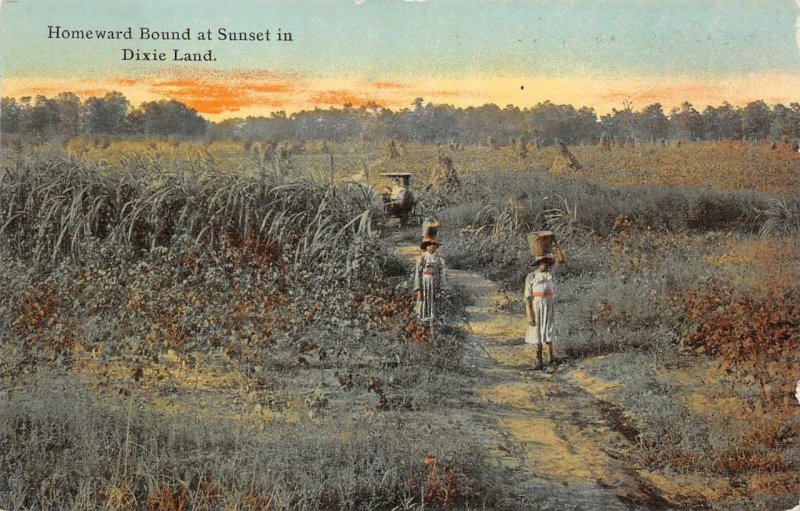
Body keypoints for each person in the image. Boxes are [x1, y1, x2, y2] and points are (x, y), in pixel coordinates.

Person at [525, 255, 556, 371]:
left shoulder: (550, 276)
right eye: (543, 263)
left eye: (547, 263)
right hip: (536, 306)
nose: (545, 265)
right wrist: (529, 314)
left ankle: (551, 361)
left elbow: (561, 259)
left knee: (548, 331)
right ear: (538, 264)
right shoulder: (531, 276)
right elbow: (527, 297)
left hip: (548, 306)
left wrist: (555, 242)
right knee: (537, 332)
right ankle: (539, 361)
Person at [414, 237, 445, 323]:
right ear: (426, 246)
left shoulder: (439, 259)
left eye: (434, 245)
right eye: (430, 245)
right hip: (425, 282)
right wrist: (418, 289)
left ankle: (434, 322)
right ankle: (423, 321)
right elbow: (418, 274)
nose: (432, 247)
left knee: (435, 301)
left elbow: (442, 273)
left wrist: (441, 287)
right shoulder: (422, 258)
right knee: (423, 300)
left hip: (435, 282)